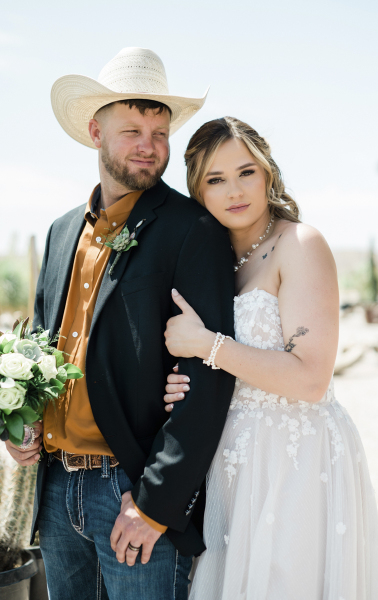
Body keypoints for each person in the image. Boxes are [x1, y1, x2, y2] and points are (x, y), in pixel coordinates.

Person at [4, 48, 236, 600]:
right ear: (94, 132)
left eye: (160, 132)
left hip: (131, 490)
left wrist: (156, 504)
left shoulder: (192, 230)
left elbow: (207, 376)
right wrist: (22, 422)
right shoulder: (62, 232)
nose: (149, 146)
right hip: (57, 489)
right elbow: (41, 345)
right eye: (132, 129)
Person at [163, 117, 378, 599]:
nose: (234, 191)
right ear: (197, 190)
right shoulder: (212, 260)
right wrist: (182, 380)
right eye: (215, 179)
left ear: (268, 173)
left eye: (246, 172)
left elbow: (311, 377)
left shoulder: (300, 245)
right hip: (231, 461)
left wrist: (204, 345)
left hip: (297, 460)